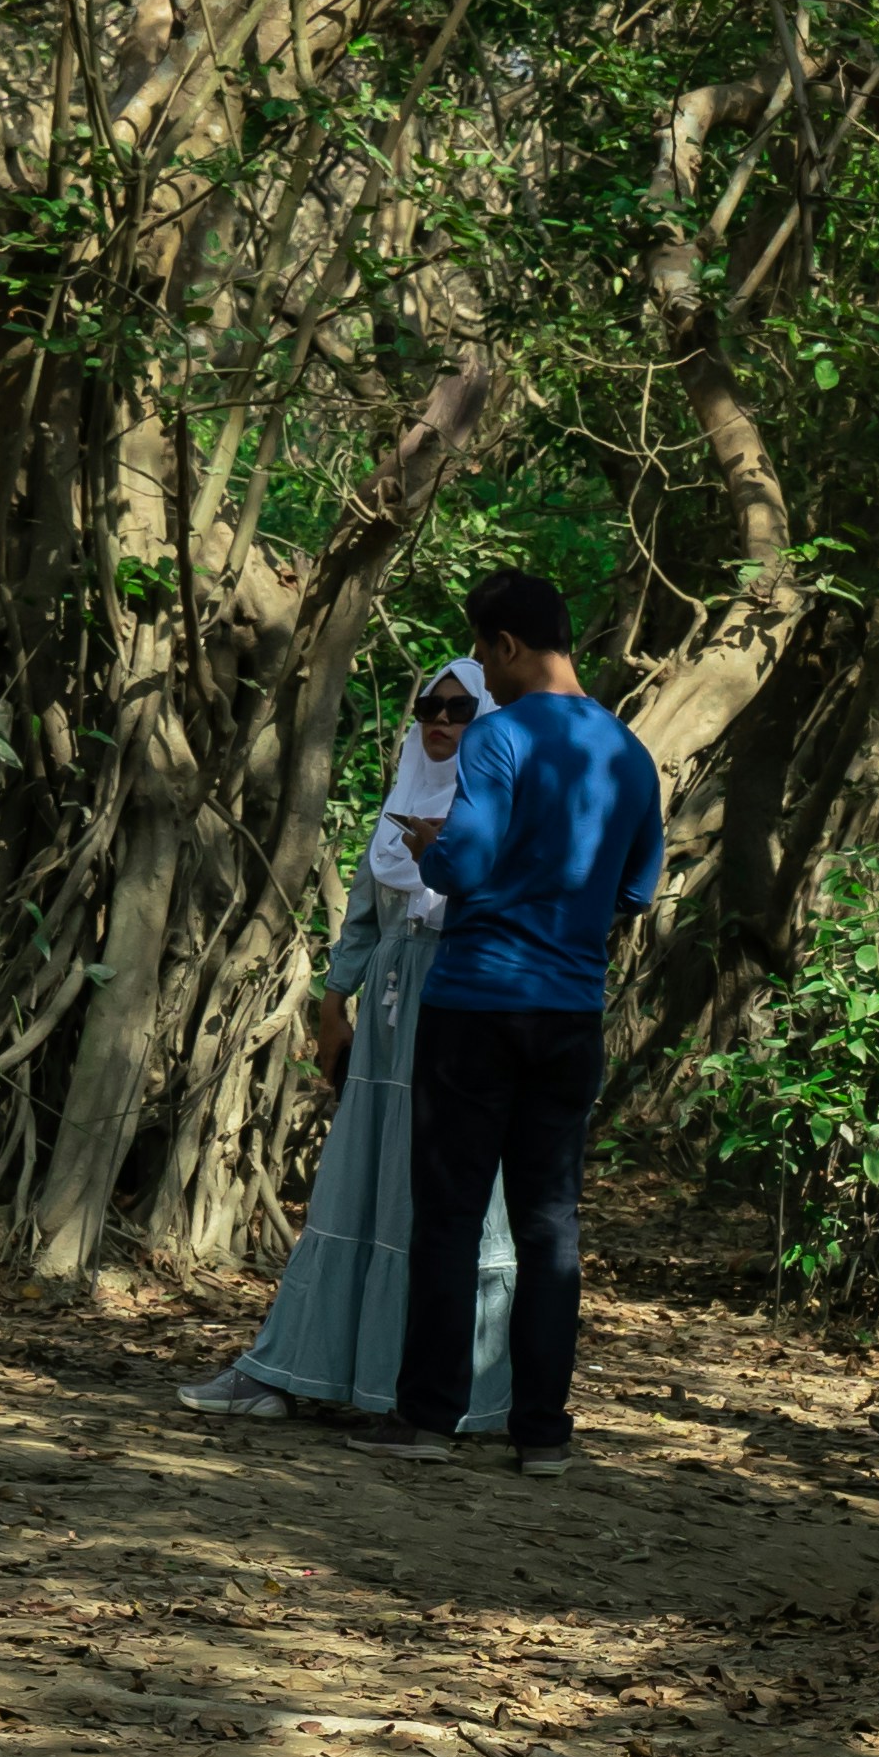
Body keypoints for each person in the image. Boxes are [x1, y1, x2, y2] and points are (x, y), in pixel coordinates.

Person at [194, 662, 523, 1423]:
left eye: (459, 708)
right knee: (359, 1180)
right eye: (429, 706)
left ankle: (445, 1395)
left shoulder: (506, 804)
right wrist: (332, 1004)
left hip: (463, 997)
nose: (440, 720)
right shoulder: (402, 797)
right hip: (386, 1006)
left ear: (490, 719)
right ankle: (301, 1371)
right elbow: (366, 921)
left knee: (446, 1189)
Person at [393, 562, 661, 1468]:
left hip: (475, 1000)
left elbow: (462, 866)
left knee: (450, 1213)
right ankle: (541, 1432)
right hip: (571, 1011)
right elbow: (637, 885)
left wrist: (435, 848)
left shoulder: (500, 738)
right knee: (550, 1222)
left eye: (481, 651)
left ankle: (430, 1419)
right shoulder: (628, 751)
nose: (481, 671)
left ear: (507, 645)